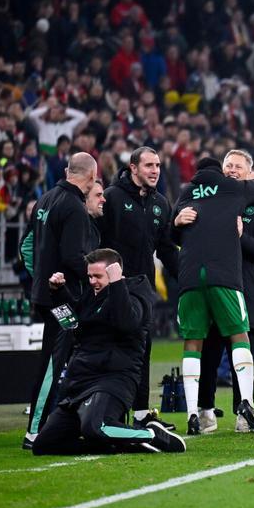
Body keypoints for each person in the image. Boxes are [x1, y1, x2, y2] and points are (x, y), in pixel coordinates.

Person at [34, 248, 184, 455]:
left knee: (96, 427)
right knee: (44, 444)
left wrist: (117, 285)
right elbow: (74, 327)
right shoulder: (92, 296)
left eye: (98, 276)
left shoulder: (135, 292)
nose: (92, 281)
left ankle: (152, 434)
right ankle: (120, 443)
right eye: (90, 276)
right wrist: (58, 293)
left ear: (115, 273)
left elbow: (127, 323)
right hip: (80, 381)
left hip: (113, 379)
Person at [171, 155, 254, 435]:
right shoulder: (232, 188)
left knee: (193, 343)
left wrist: (177, 221)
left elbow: (171, 235)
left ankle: (193, 413)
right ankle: (246, 403)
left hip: (190, 278)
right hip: (224, 276)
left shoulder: (186, 192)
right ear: (220, 171)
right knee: (240, 336)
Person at [97, 146, 180, 428]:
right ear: (133, 168)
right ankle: (108, 412)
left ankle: (142, 414)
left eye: (157, 166)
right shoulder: (111, 198)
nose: (155, 171)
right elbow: (96, 244)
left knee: (143, 350)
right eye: (149, 166)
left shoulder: (161, 203)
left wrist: (187, 276)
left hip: (143, 290)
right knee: (112, 350)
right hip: (113, 289)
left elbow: (166, 249)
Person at [22, 152, 100, 450]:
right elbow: (72, 258)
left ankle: (57, 423)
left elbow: (27, 246)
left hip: (45, 294)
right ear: (91, 176)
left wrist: (39, 279)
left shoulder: (45, 200)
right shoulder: (74, 207)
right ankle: (35, 430)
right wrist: (97, 276)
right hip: (62, 299)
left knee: (61, 360)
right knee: (54, 364)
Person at [197, 150, 254, 432]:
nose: (232, 170)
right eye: (228, 165)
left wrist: (242, 237)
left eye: (238, 167)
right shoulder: (209, 202)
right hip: (215, 288)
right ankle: (205, 410)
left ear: (247, 173)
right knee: (209, 354)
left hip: (246, 288)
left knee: (245, 356)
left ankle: (244, 412)